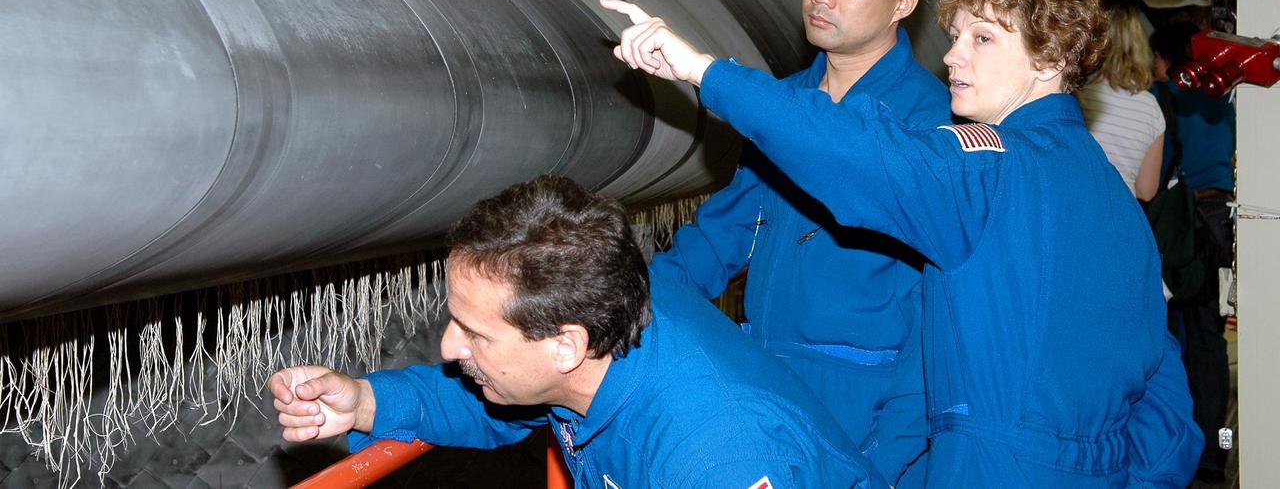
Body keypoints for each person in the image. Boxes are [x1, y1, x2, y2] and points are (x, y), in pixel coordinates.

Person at [603, 0, 1201, 487]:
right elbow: (1162, 388)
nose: (951, 55)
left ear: (1050, 61)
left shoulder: (991, 170)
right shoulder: (1112, 195)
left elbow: (857, 153)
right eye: (956, 35)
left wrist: (704, 71)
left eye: (983, 39)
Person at [269, 175, 882, 489]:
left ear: (567, 344)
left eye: (475, 334)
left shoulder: (719, 458)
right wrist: (365, 402)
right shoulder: (609, 316)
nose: (450, 347)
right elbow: (501, 401)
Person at [648, 0, 949, 486]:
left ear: (903, 3)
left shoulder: (930, 128)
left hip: (870, 416)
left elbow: (936, 329)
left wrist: (886, 462)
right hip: (771, 394)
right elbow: (722, 237)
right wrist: (619, 304)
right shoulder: (781, 107)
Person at [1150, 22, 1236, 485]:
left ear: (1166, 56)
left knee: (1169, 336)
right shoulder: (1223, 93)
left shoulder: (1168, 99)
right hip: (1221, 215)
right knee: (1210, 340)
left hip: (1182, 221)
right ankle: (1215, 452)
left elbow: (1157, 174)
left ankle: (1173, 447)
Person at [1076, 0, 1165, 201]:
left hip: (1076, 207)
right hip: (1121, 219)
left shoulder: (1078, 93)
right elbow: (1146, 190)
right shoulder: (1151, 107)